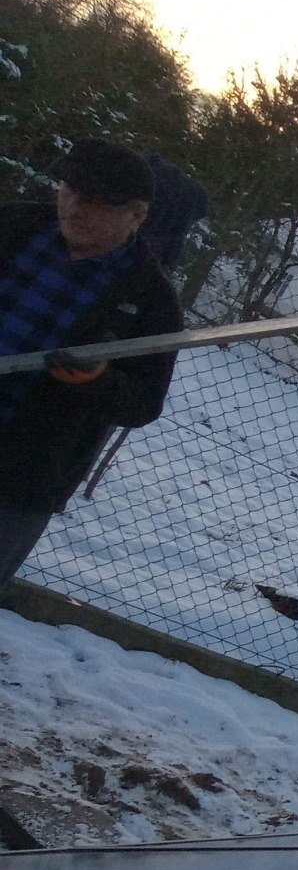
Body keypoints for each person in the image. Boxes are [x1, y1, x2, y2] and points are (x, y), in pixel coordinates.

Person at [0, 137, 183, 585]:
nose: (74, 208)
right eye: (69, 190)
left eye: (96, 202)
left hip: (19, 480)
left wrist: (97, 381)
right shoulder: (12, 227)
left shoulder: (150, 301)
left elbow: (143, 403)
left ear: (136, 215)